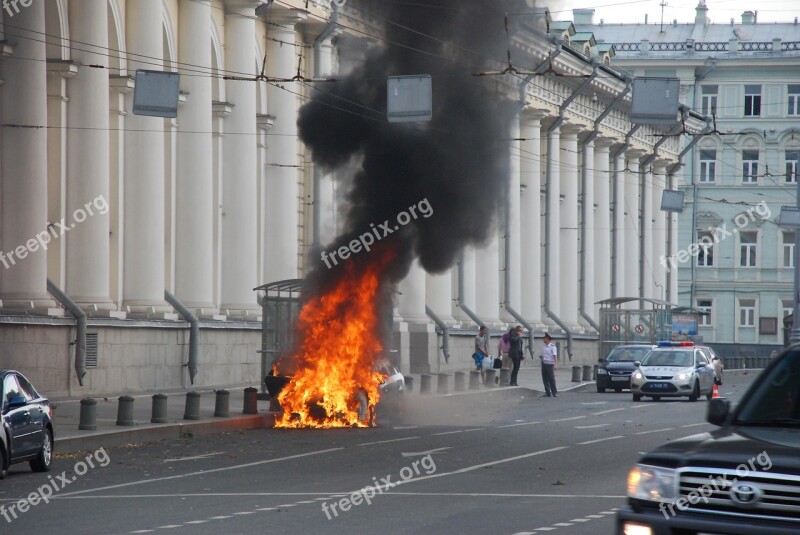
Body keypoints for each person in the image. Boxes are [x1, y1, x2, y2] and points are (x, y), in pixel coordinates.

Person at [540, 332, 558, 397]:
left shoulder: (553, 347)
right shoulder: (544, 347)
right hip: (544, 363)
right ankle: (547, 392)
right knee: (544, 378)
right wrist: (541, 358)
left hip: (550, 364)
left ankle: (554, 392)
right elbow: (543, 355)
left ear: (547, 339)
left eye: (544, 338)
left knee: (551, 379)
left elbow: (554, 356)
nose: (543, 339)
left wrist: (555, 364)